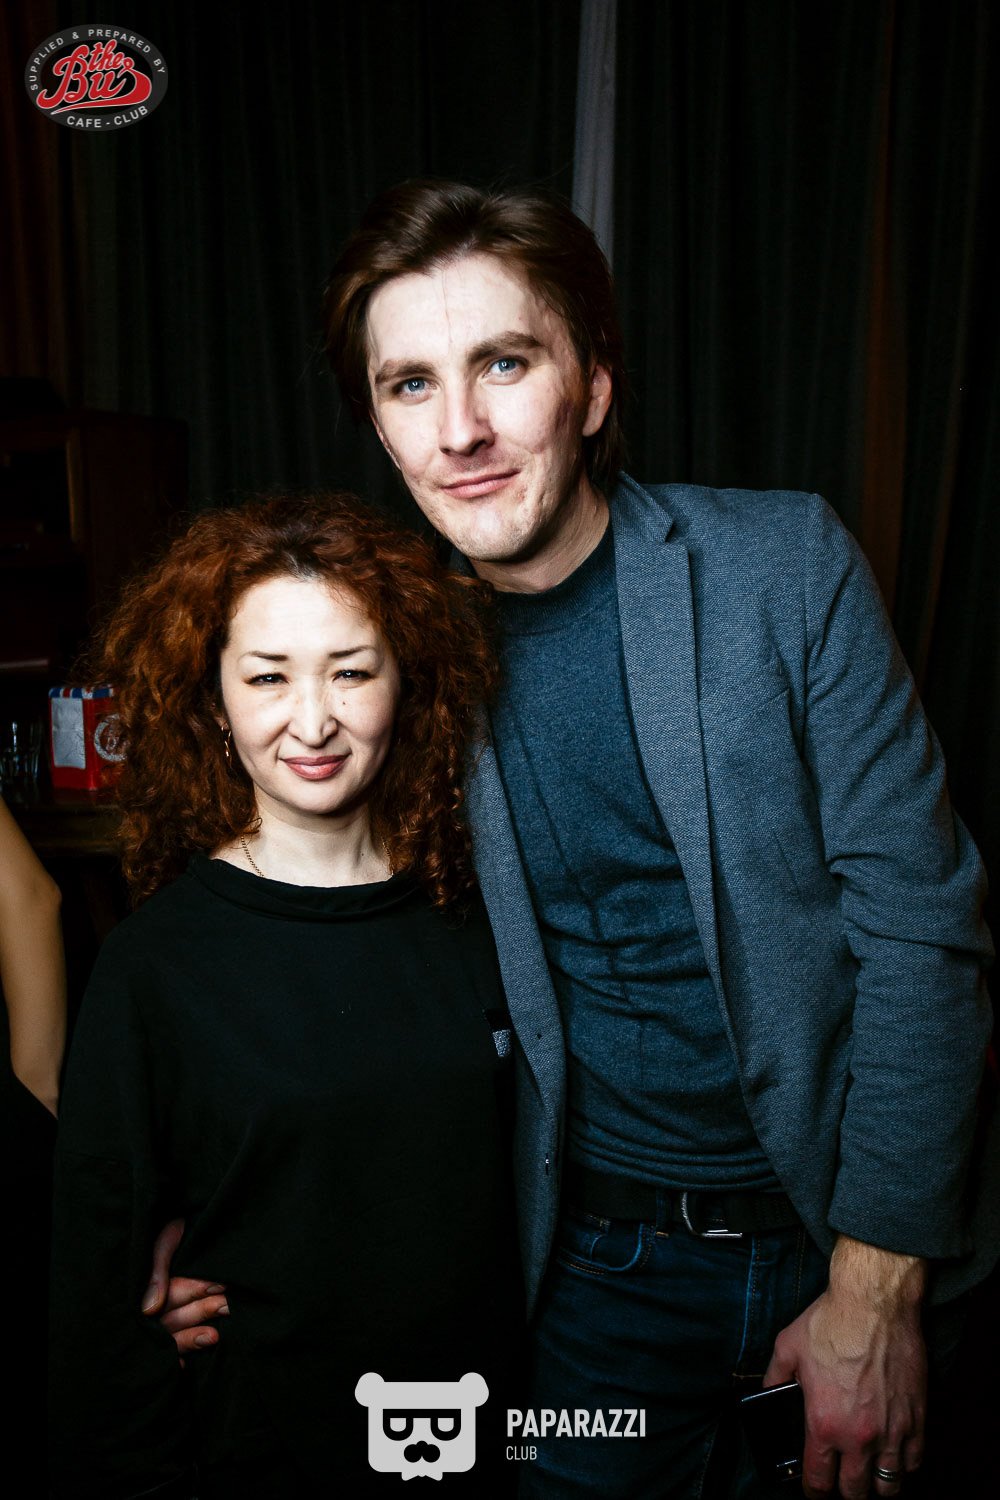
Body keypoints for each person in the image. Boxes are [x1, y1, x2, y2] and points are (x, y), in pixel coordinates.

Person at [161, 183, 998, 1499]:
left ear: (594, 386)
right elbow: (311, 938)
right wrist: (202, 1207)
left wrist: (875, 1288)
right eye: (410, 384)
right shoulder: (394, 660)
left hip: (840, 1237)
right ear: (378, 423)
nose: (461, 429)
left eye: (504, 363)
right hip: (589, 1280)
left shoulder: (783, 567)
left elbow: (922, 929)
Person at [48, 493, 524, 1498]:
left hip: (488, 1448)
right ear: (214, 703)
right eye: (267, 676)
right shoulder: (154, 967)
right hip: (265, 1463)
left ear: (407, 685)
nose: (313, 721)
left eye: (351, 671)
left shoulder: (489, 921)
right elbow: (96, 1300)